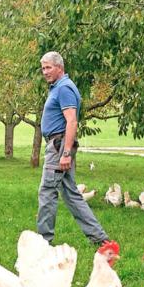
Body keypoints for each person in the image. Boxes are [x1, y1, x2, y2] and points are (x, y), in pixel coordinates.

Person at [36, 51, 109, 245]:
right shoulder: (58, 87)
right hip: (59, 145)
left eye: (48, 67)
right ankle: (100, 239)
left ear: (59, 67)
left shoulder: (64, 88)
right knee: (71, 194)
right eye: (43, 68)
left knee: (47, 192)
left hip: (59, 146)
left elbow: (72, 121)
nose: (45, 72)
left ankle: (43, 242)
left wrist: (66, 153)